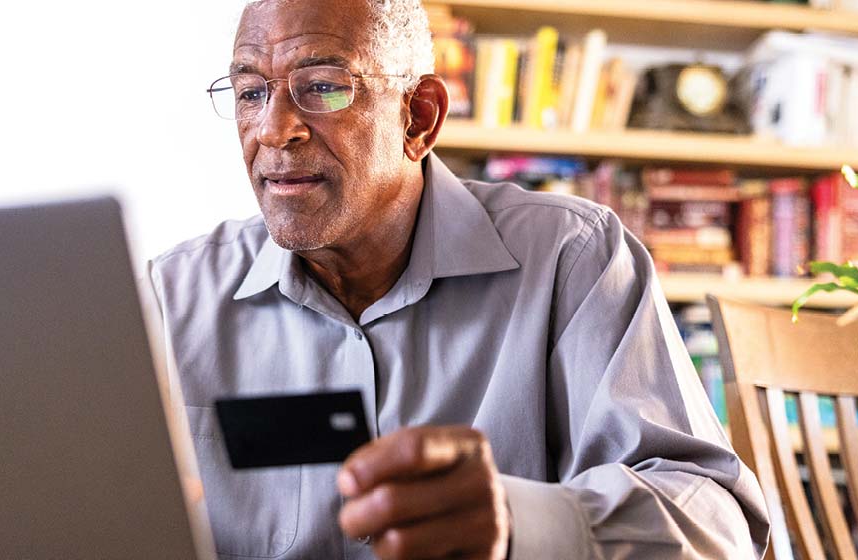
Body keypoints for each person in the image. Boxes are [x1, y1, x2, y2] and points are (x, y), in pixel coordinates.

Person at [143, 0, 771, 558]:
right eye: (252, 93)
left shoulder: (572, 257)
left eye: (324, 87)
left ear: (419, 117)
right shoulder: (174, 297)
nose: (276, 130)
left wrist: (524, 523)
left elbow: (718, 524)